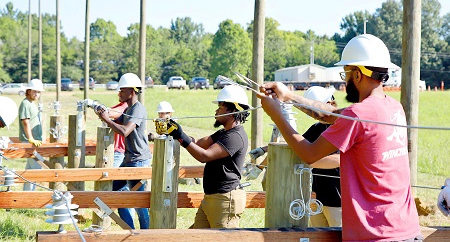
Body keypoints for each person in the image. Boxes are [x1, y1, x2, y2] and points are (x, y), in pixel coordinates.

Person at [257, 34, 422, 241]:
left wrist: (276, 115)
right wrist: (287, 96)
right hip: (407, 231)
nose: (345, 81)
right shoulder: (393, 107)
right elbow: (329, 115)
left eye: (346, 73)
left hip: (376, 235)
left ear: (358, 74)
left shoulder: (357, 114)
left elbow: (309, 154)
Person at [249, 86, 342, 227]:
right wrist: (263, 155)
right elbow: (294, 144)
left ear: (330, 104)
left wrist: (305, 161)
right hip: (318, 199)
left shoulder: (342, 128)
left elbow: (339, 160)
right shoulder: (317, 128)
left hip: (339, 201)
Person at [166, 85, 250, 228]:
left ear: (233, 110)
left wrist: (180, 137)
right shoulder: (223, 133)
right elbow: (197, 143)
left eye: (220, 107)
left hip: (224, 200)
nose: (216, 111)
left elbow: (204, 156)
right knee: (194, 238)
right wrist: (176, 132)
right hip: (212, 198)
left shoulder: (235, 137)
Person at [95, 72, 151, 229]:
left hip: (139, 160)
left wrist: (106, 119)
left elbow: (125, 131)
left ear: (131, 92)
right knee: (117, 194)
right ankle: (131, 231)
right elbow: (117, 121)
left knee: (139, 203)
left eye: (122, 90)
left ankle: (147, 236)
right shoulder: (129, 109)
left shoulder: (138, 110)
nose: (119, 93)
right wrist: (103, 114)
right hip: (130, 160)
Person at [19, 79, 45, 191]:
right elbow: (25, 122)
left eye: (39, 92)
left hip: (35, 141)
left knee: (30, 170)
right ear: (28, 91)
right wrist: (30, 138)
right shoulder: (25, 103)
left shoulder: (31, 104)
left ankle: (26, 196)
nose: (37, 94)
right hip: (30, 142)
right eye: (34, 91)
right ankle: (30, 197)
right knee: (35, 170)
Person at [109, 101, 128, 168]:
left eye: (122, 91)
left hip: (120, 151)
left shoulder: (126, 106)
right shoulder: (121, 105)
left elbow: (110, 113)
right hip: (116, 150)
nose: (119, 94)